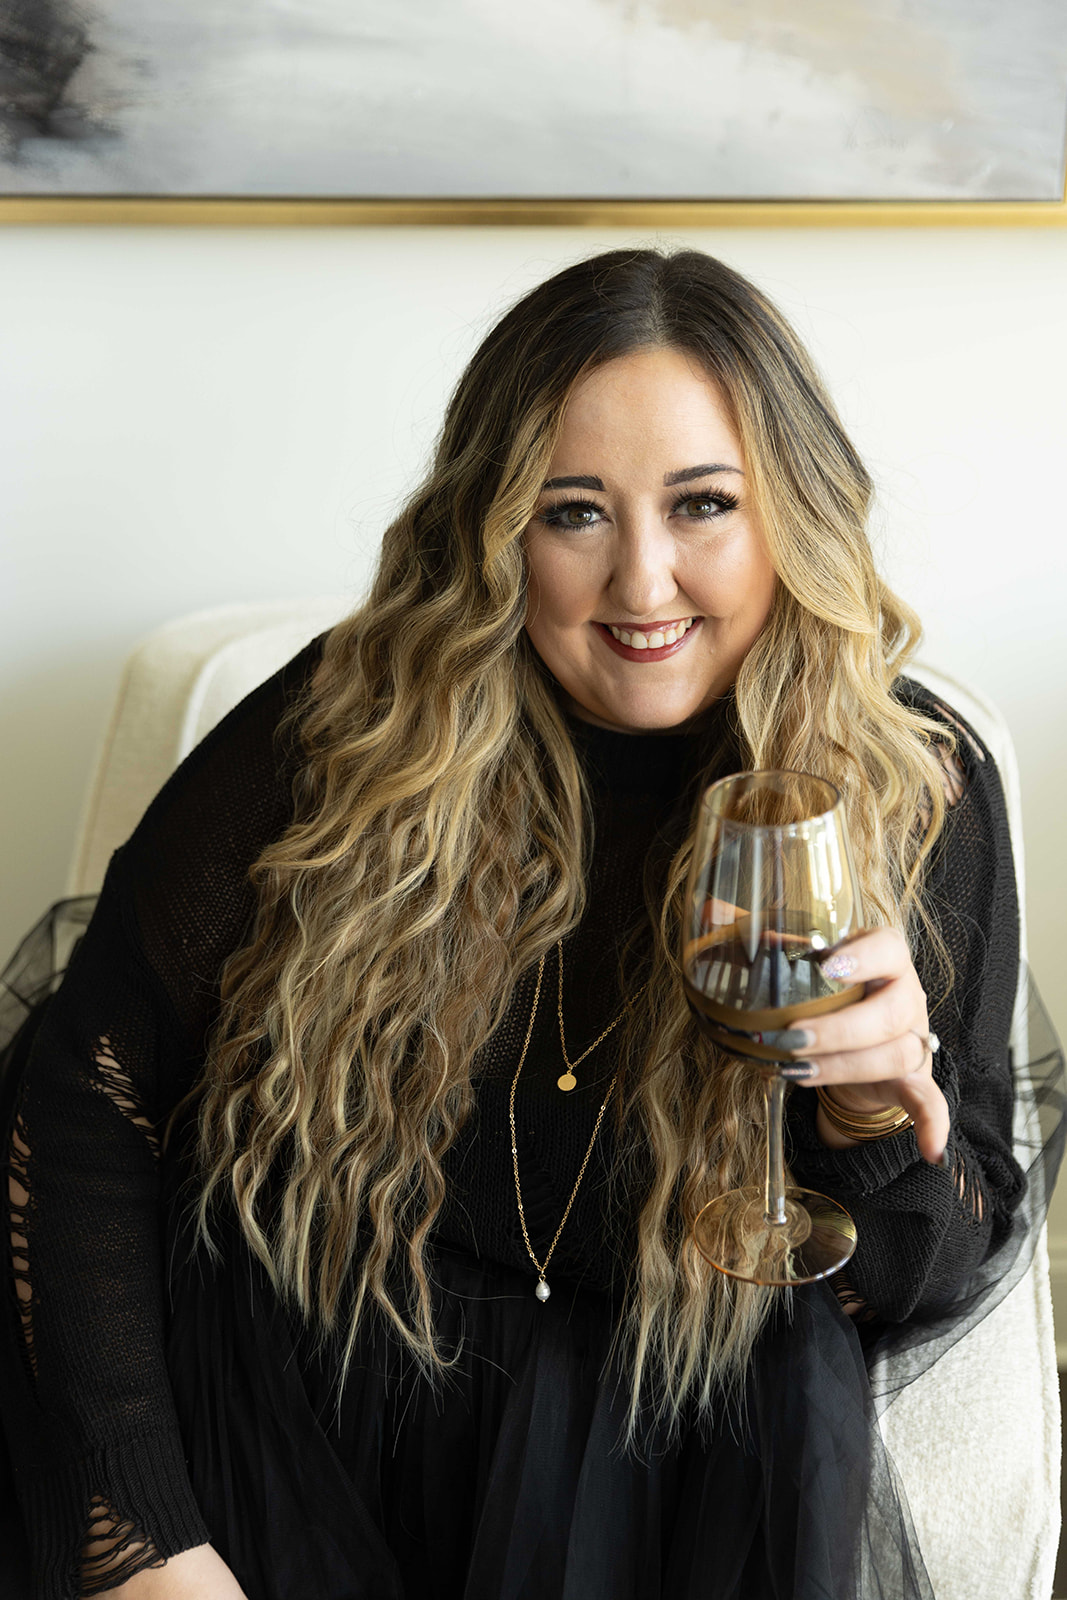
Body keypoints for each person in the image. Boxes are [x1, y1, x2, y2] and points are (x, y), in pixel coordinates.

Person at [0, 248, 1041, 1600]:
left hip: (682, 1452)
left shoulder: (910, 786)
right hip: (315, 1399)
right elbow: (87, 1095)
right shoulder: (350, 728)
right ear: (496, 531)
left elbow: (926, 1277)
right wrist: (141, 1540)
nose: (644, 584)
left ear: (793, 510)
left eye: (704, 505)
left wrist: (870, 1119)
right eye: (575, 513)